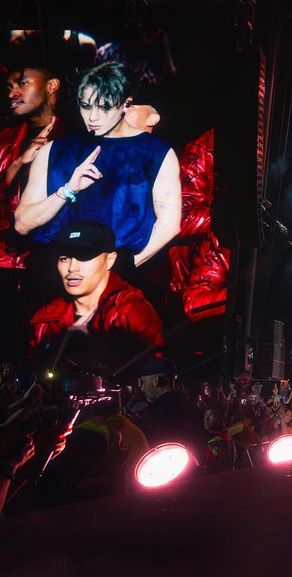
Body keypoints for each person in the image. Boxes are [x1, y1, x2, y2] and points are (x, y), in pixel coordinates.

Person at [15, 61, 181, 270]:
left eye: (104, 107)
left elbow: (169, 225)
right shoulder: (53, 150)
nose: (93, 117)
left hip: (121, 270)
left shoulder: (156, 152)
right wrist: (66, 191)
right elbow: (22, 224)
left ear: (126, 103)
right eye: (86, 106)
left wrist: (124, 266)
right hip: (56, 267)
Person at [29, 222, 163, 372]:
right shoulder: (46, 320)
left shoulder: (131, 312)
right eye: (64, 258)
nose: (72, 268)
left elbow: (154, 374)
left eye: (84, 257)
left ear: (110, 260)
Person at [1, 63, 62, 272]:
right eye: (8, 88)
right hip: (5, 261)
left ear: (51, 86)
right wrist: (18, 164)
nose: (12, 94)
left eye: (22, 84)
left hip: (50, 263)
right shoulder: (6, 138)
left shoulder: (73, 137)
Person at [131, 356, 203, 448]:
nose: (142, 388)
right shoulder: (192, 408)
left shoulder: (153, 414)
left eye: (143, 382)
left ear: (156, 380)